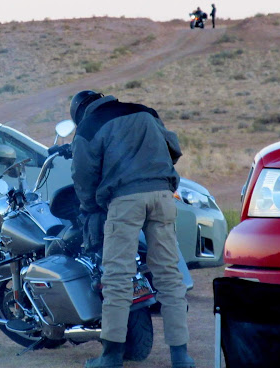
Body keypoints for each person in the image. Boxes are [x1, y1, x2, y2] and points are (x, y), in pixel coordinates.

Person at [69, 90, 194, 368]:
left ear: (79, 112)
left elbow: (82, 176)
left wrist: (91, 206)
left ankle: (111, 357)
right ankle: (181, 356)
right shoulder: (144, 111)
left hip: (125, 201)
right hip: (162, 195)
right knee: (169, 277)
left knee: (117, 278)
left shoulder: (89, 127)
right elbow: (173, 147)